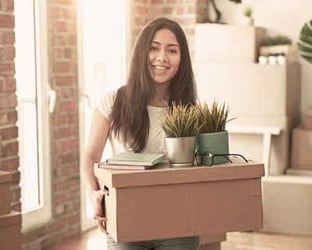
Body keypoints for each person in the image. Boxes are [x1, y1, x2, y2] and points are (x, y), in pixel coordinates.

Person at [81, 17, 199, 250]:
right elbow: (90, 156)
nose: (162, 58)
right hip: (125, 224)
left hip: (178, 226)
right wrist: (94, 194)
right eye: (154, 48)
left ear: (182, 59)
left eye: (172, 50)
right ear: (141, 53)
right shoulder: (113, 102)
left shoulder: (189, 110)